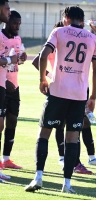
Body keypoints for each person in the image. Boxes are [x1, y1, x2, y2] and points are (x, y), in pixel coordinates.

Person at [24, 6, 96, 193]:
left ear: (65, 18)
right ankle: (66, 184)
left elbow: (43, 55)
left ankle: (38, 177)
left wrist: (42, 78)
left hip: (58, 91)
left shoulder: (58, 31)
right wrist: (93, 97)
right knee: (72, 139)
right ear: (82, 21)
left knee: (44, 134)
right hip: (79, 95)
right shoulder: (93, 38)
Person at [32, 20, 96, 174]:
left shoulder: (69, 39)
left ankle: (86, 158)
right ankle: (72, 161)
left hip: (78, 88)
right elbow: (37, 60)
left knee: (82, 124)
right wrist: (50, 76)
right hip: (64, 89)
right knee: (67, 127)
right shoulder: (57, 43)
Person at [1, 10, 27, 170]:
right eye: (14, 23)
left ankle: (6, 159)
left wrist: (22, 56)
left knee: (12, 121)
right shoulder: (0, 37)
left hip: (14, 86)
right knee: (0, 124)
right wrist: (4, 80)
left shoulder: (17, 38)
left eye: (19, 24)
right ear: (7, 21)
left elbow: (19, 55)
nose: (17, 26)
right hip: (2, 85)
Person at [0, 0, 18, 182]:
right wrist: (9, 60)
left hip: (4, 85)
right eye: (6, 9)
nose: (9, 12)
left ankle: (4, 161)